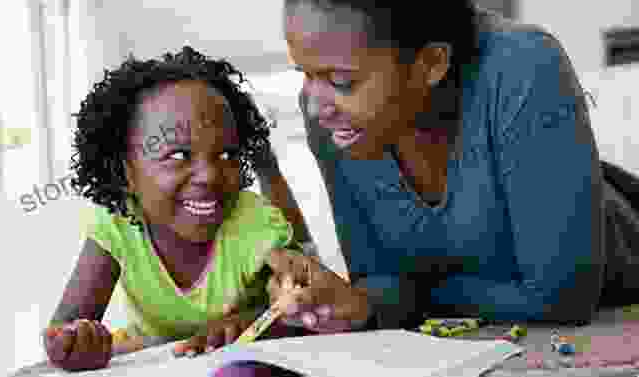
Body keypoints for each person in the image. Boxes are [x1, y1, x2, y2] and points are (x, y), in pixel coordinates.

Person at [259, 0, 639, 333]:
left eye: (341, 81)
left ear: (431, 64)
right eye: (305, 74)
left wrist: (394, 300)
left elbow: (561, 297)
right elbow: (376, 281)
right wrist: (341, 299)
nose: (313, 105)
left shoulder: (522, 66)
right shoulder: (333, 120)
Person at [41, 46, 308, 371]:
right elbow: (63, 330)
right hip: (152, 348)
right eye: (179, 155)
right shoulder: (118, 225)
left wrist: (253, 321)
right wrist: (77, 341)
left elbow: (306, 301)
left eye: (226, 155)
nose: (210, 175)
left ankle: (270, 171)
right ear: (127, 172)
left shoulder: (254, 222)